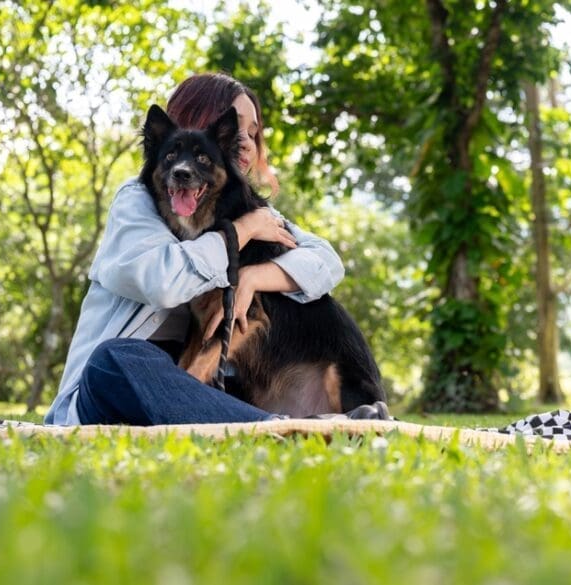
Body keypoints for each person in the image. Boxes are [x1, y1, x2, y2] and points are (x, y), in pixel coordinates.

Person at [44, 72, 389, 426]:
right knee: (113, 361)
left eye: (253, 133)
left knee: (230, 377)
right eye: (234, 127)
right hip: (122, 389)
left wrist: (253, 277)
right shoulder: (136, 201)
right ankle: (276, 427)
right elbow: (165, 283)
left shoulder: (247, 209)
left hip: (202, 392)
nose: (245, 143)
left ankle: (278, 424)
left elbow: (325, 260)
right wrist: (240, 232)